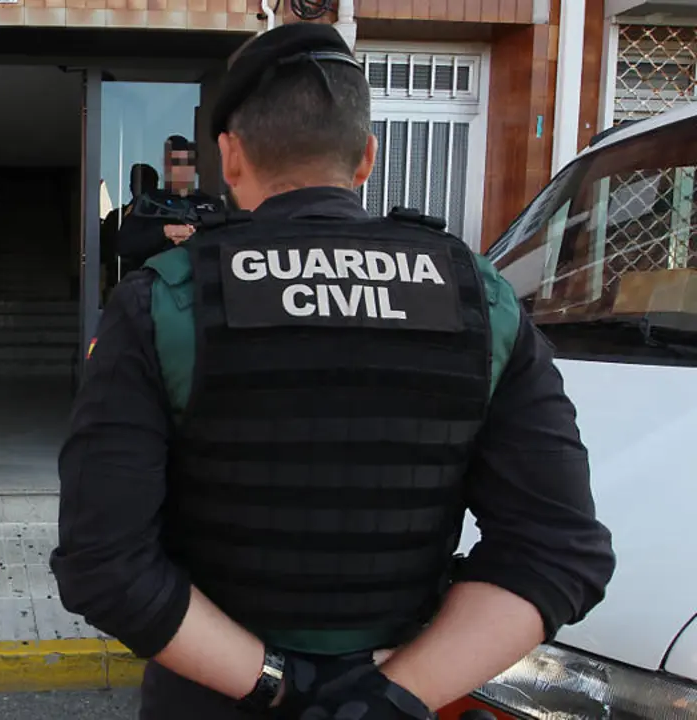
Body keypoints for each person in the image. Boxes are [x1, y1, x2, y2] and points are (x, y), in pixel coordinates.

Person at [50, 23, 615, 720]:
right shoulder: (478, 296)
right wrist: (387, 698)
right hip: (400, 696)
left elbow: (102, 562)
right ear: (367, 157)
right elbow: (558, 552)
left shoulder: (164, 300)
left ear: (229, 158)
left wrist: (277, 684)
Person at [114, 136, 223, 276]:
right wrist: (165, 231)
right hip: (157, 286)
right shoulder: (148, 203)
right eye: (176, 163)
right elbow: (124, 245)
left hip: (202, 284)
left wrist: (197, 236)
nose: (182, 169)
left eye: (187, 163)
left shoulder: (211, 204)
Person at [101, 163, 160, 293]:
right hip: (120, 286)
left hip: (148, 289)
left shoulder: (160, 220)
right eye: (137, 184)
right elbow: (103, 252)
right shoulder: (116, 217)